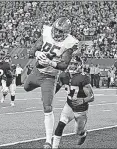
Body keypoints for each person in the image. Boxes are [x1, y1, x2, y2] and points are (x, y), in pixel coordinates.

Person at [24, 17, 79, 148]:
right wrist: (37, 53)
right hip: (37, 72)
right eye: (56, 29)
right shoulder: (46, 33)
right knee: (26, 87)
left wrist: (51, 62)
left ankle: (48, 140)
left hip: (50, 76)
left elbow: (64, 65)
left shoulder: (70, 43)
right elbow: (31, 51)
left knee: (47, 107)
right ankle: (48, 89)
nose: (57, 33)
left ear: (66, 32)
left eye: (60, 31)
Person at [52, 56, 94, 149]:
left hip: (81, 109)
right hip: (69, 105)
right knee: (60, 124)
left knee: (78, 132)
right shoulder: (63, 75)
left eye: (75, 64)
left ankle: (83, 134)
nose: (72, 66)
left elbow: (91, 97)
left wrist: (82, 100)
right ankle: (54, 147)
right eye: (70, 63)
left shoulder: (83, 77)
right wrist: (49, 95)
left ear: (79, 65)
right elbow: (56, 88)